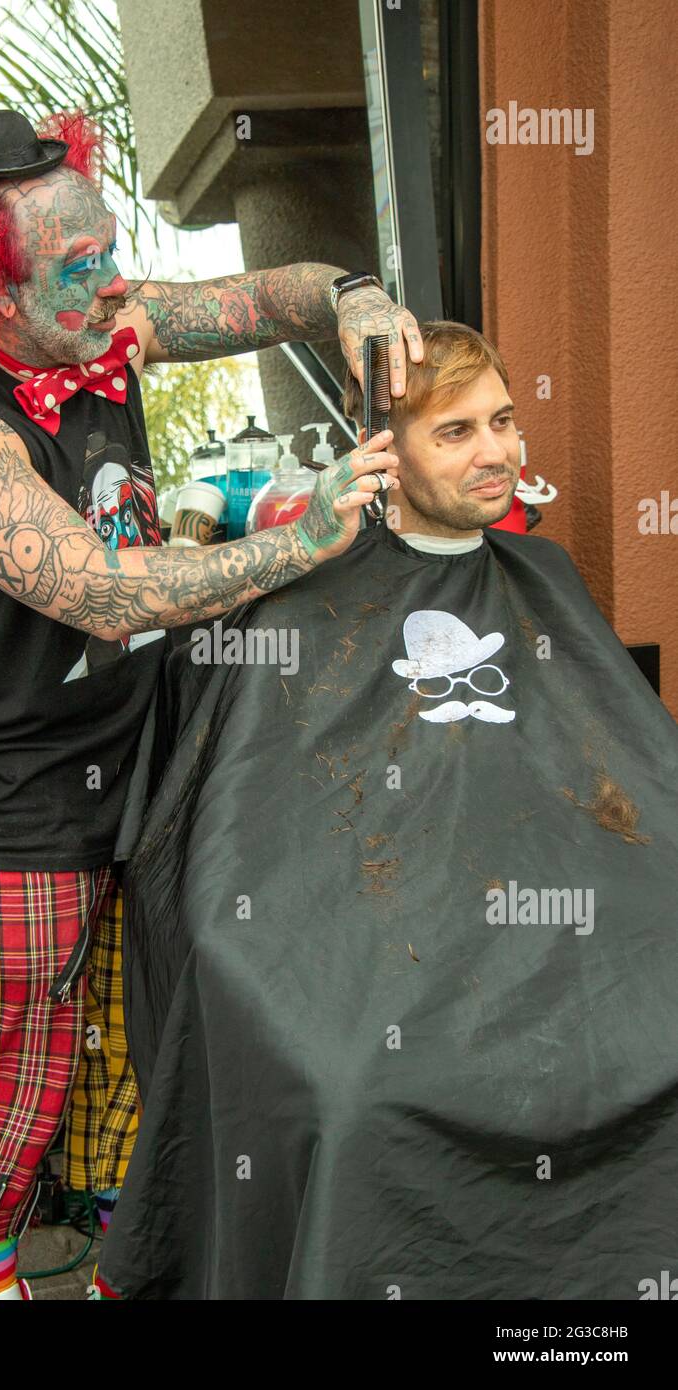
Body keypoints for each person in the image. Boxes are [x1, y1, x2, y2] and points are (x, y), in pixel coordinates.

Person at [0, 107, 416, 1301]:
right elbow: (103, 595)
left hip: (141, 756)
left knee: (158, 1023)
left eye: (110, 246)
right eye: (80, 268)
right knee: (17, 1063)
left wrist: (356, 295)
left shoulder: (97, 328)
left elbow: (269, 296)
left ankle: (141, 1252)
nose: (115, 283)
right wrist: (305, 535)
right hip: (9, 802)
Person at [97, 320, 678, 1300]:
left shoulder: (546, 580)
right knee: (353, 1093)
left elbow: (630, 795)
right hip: (378, 966)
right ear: (383, 451)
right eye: (454, 431)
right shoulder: (294, 604)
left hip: (562, 949)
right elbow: (236, 849)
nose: (495, 449)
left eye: (500, 420)